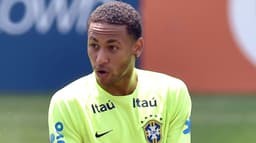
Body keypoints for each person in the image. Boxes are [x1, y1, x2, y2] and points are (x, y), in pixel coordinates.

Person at [48, 1, 192, 143]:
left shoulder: (171, 93)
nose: (100, 59)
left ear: (137, 47)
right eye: (94, 45)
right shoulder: (67, 103)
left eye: (112, 47)